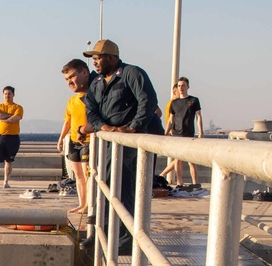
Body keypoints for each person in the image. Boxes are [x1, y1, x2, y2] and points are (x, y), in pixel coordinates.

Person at [83, 39, 164, 254]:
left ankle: (125, 238)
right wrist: (103, 126)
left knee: (130, 189)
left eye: (98, 58)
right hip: (114, 141)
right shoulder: (97, 83)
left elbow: (148, 101)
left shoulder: (132, 73)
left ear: (111, 57)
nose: (95, 63)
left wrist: (133, 127)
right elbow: (90, 110)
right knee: (109, 184)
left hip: (136, 140)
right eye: (93, 59)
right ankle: (105, 232)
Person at [57, 59, 94, 214]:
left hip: (88, 141)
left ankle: (89, 205)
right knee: (78, 175)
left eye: (72, 77)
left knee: (88, 176)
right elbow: (68, 121)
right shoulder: (71, 101)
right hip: (73, 141)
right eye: (66, 79)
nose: (69, 82)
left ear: (84, 72)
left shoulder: (93, 97)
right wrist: (61, 139)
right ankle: (82, 203)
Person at [161, 77, 203, 185]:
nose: (181, 88)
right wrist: (165, 134)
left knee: (191, 161)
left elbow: (198, 116)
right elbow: (171, 120)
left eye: (183, 85)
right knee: (178, 160)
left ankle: (195, 184)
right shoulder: (174, 103)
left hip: (189, 134)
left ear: (188, 87)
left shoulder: (194, 100)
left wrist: (201, 132)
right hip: (176, 134)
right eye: (179, 86)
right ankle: (180, 183)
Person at [0, 86, 23, 188]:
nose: (7, 96)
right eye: (5, 94)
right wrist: (10, 116)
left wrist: (4, 117)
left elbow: (16, 118)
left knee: (9, 161)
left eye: (9, 94)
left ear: (13, 94)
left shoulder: (18, 107)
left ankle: (6, 182)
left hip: (12, 137)